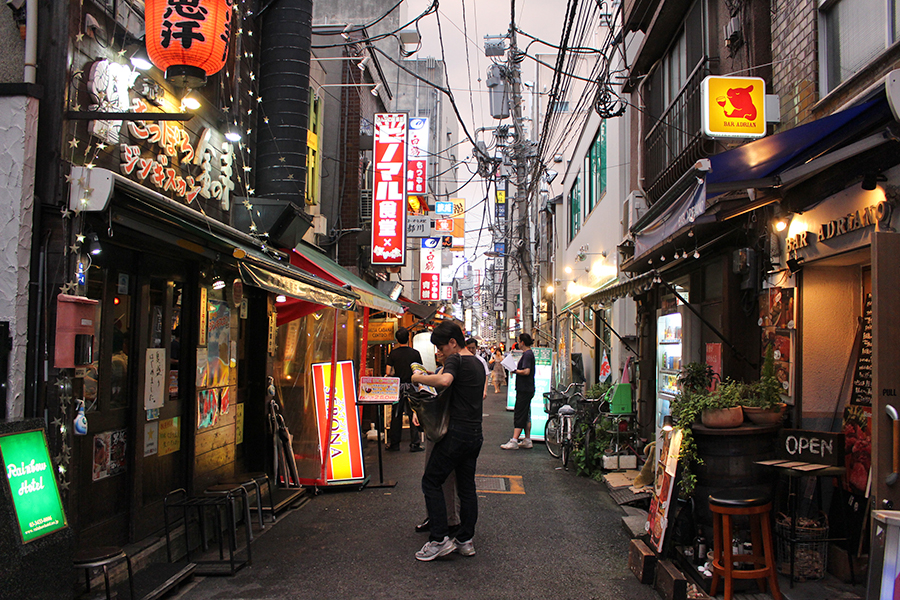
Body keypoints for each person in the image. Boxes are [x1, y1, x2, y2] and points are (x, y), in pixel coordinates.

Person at [410, 321, 485, 561]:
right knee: (467, 487)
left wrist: (418, 377)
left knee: (431, 481)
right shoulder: (477, 362)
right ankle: (465, 540)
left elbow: (444, 382)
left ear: (453, 342)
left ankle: (439, 538)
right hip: (475, 434)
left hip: (455, 434)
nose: (440, 352)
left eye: (442, 346)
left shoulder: (456, 359)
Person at [386, 327, 424, 452]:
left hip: (398, 388)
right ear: (408, 338)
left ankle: (394, 444)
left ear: (397, 339)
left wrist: (395, 373)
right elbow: (419, 371)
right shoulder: (415, 353)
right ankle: (415, 443)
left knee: (396, 415)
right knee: (413, 413)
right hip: (412, 387)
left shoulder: (393, 353)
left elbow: (388, 371)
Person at [501, 333, 536, 450]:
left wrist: (515, 370)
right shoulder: (529, 354)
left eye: (519, 341)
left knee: (520, 413)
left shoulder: (527, 354)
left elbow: (526, 371)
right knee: (526, 413)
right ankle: (527, 439)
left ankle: (514, 440)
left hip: (524, 388)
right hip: (528, 388)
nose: (518, 343)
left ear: (522, 342)